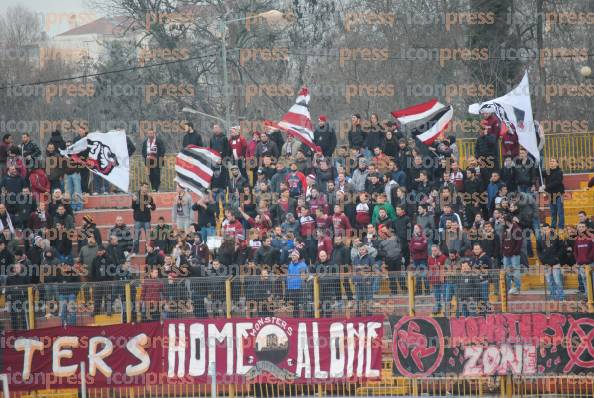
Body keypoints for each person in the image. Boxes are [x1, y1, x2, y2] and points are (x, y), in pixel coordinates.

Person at [537, 223, 564, 301]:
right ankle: (553, 296)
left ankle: (561, 297)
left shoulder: (556, 237)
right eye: (543, 229)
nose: (545, 230)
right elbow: (538, 250)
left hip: (555, 263)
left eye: (546, 229)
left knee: (557, 280)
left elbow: (562, 248)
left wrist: (557, 258)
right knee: (549, 281)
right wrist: (542, 259)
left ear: (549, 229)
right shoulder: (540, 238)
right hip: (546, 263)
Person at [501, 215, 522, 295]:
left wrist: (515, 252)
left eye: (503, 221)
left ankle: (517, 288)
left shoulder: (517, 229)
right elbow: (503, 241)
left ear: (507, 221)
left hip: (514, 255)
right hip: (506, 254)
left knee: (516, 271)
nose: (502, 222)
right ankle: (508, 288)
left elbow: (519, 243)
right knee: (507, 271)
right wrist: (503, 251)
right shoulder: (504, 229)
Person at [132, 182, 155, 254]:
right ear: (141, 187)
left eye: (147, 188)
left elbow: (154, 207)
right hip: (138, 220)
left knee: (148, 238)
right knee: (136, 238)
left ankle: (147, 251)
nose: (146, 189)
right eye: (144, 187)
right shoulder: (136, 195)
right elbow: (133, 207)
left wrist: (150, 206)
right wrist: (133, 201)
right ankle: (135, 252)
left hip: (147, 220)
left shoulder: (149, 197)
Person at [543, 158, 565, 230]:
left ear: (557, 163)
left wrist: (546, 187)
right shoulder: (547, 171)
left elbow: (557, 182)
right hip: (550, 195)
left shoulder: (559, 172)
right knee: (553, 213)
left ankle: (561, 227)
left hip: (558, 194)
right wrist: (537, 163)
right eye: (550, 161)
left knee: (560, 212)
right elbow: (538, 173)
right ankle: (553, 227)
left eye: (553, 161)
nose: (551, 162)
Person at [286, 250, 309, 317]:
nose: (292, 257)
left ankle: (305, 317)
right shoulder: (290, 265)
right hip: (292, 288)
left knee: (302, 303)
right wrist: (288, 286)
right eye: (292, 255)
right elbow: (288, 275)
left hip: (300, 287)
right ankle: (296, 318)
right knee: (295, 304)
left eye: (294, 255)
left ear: (297, 256)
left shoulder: (302, 265)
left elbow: (305, 276)